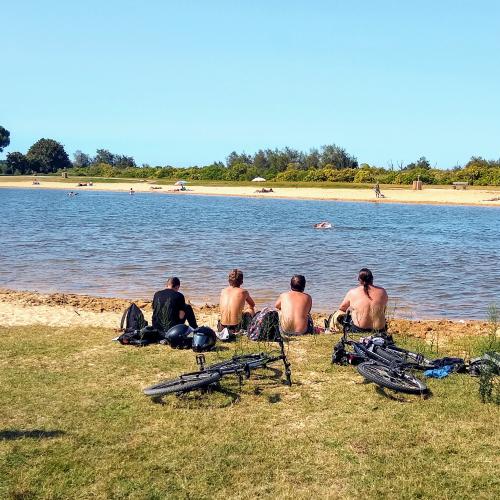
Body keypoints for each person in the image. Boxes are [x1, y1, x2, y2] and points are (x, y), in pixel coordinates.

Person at [336, 268, 388, 333]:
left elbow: (342, 309)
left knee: (340, 316)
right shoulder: (383, 291)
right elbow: (383, 310)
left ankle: (333, 329)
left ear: (360, 280)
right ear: (372, 279)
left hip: (359, 329)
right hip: (380, 330)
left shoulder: (353, 292)